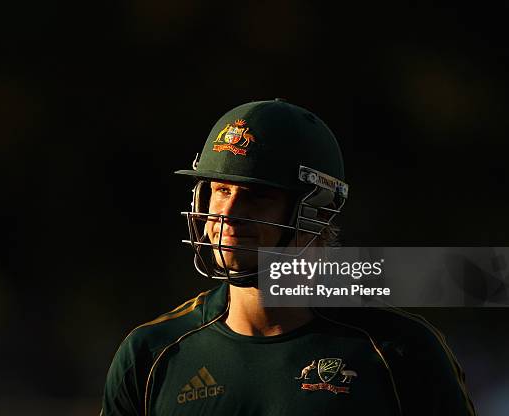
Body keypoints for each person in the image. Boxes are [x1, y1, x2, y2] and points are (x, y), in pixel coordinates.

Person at [101, 99, 475, 415]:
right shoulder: (150, 354)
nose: (228, 214)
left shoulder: (401, 352)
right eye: (221, 189)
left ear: (319, 211)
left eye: (258, 195)